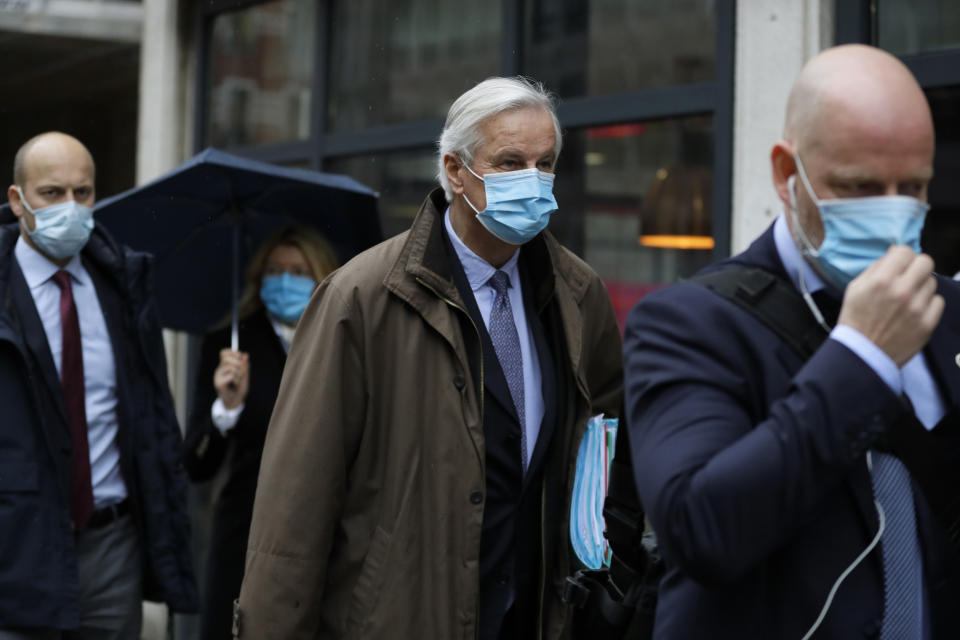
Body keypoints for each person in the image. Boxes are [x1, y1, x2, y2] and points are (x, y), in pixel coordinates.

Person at [235, 77, 623, 639]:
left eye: (546, 163)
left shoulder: (577, 293)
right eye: (510, 161)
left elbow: (604, 452)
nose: (533, 182)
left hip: (539, 616)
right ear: (454, 170)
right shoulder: (361, 298)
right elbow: (296, 503)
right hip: (403, 618)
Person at [622, 44, 960, 639]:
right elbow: (700, 528)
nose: (891, 214)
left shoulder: (946, 309)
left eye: (912, 187)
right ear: (786, 174)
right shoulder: (689, 323)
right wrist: (863, 358)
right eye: (857, 188)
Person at [0, 131, 197, 638]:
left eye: (82, 193)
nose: (70, 207)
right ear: (17, 200)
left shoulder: (125, 286)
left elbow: (151, 419)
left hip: (113, 547)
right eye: (51, 193)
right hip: (17, 548)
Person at [181, 224, 338, 640]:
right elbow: (196, 463)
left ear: (320, 276)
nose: (285, 280)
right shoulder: (230, 343)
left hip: (326, 532)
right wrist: (225, 409)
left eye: (298, 270)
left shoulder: (340, 335)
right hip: (246, 533)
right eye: (274, 270)